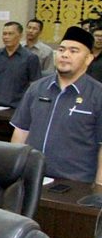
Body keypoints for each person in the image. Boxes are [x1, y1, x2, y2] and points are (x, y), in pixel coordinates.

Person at [11, 26, 102, 184]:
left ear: (88, 59)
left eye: (73, 51)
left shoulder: (97, 94)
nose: (65, 55)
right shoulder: (37, 88)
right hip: (30, 177)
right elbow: (21, 132)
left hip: (76, 183)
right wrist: (12, 174)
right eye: (61, 50)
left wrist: (99, 187)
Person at [0, 21, 42, 108]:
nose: (6, 37)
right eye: (4, 34)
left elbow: (34, 85)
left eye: (10, 34)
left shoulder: (30, 58)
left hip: (17, 107)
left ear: (20, 36)